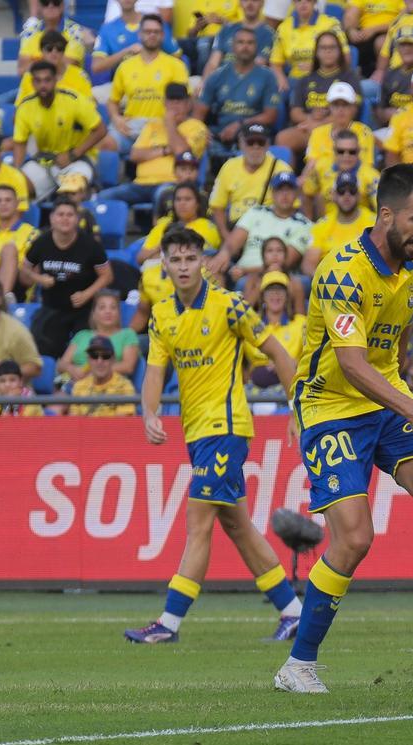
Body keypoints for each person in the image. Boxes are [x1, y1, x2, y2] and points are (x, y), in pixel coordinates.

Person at [274, 164, 413, 693]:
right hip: (331, 406)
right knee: (354, 537)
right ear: (385, 215)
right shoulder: (341, 271)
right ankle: (298, 664)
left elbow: (393, 340)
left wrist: (405, 396)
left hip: (384, 401)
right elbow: (352, 363)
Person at [125, 227, 304, 645]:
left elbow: (279, 354)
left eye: (191, 259)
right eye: (177, 259)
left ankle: (168, 623)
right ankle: (294, 612)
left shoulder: (230, 306)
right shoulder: (162, 314)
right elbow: (155, 370)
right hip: (197, 433)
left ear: (203, 262)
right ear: (164, 265)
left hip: (227, 428)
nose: (184, 266)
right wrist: (149, 411)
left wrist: (297, 405)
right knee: (237, 525)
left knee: (198, 521)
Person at [20, 200, 114, 359]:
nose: (65, 219)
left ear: (77, 219)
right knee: (42, 351)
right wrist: (38, 278)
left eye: (70, 215)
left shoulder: (90, 245)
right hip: (52, 306)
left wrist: (87, 294)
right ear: (52, 218)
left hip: (84, 309)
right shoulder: (41, 243)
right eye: (60, 214)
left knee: (84, 355)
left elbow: (107, 275)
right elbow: (24, 269)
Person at [210, 171, 313, 305]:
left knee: (244, 283)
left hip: (274, 275)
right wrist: (224, 253)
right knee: (212, 267)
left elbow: (283, 263)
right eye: (280, 190)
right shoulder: (256, 212)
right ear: (272, 193)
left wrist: (245, 271)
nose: (285, 195)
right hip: (240, 270)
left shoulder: (304, 225)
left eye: (289, 190)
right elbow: (232, 243)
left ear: (297, 193)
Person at [100, 83, 208, 207]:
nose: (175, 106)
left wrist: (170, 124)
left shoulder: (197, 127)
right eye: (171, 101)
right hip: (141, 184)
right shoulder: (152, 126)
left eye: (179, 101)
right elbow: (135, 155)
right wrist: (166, 150)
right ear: (165, 103)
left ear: (188, 104)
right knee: (104, 197)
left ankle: (159, 226)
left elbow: (181, 152)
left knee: (162, 196)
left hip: (173, 184)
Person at [13, 62, 109, 201]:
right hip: (44, 161)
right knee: (16, 188)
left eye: (47, 80)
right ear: (33, 83)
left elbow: (101, 130)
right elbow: (20, 143)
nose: (43, 85)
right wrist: (17, 172)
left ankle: (86, 198)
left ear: (55, 80)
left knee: (72, 190)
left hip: (77, 160)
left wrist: (73, 154)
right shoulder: (25, 106)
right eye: (38, 81)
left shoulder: (73, 99)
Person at [107, 15, 191, 158]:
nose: (152, 35)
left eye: (156, 32)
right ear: (140, 34)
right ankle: (110, 179)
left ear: (163, 35)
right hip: (132, 126)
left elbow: (186, 102)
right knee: (106, 143)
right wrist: (116, 118)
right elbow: (112, 101)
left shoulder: (176, 66)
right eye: (147, 31)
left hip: (162, 126)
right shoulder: (125, 67)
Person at [197, 26, 282, 166]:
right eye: (241, 42)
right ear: (232, 46)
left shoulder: (268, 77)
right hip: (220, 135)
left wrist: (240, 125)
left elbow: (270, 116)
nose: (245, 47)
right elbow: (198, 114)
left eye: (250, 43)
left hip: (253, 135)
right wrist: (201, 132)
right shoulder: (217, 76)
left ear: (257, 47)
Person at [277, 30, 363, 158]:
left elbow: (353, 110)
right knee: (282, 138)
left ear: (339, 51)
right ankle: (288, 177)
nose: (328, 51)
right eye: (323, 48)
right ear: (316, 52)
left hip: (341, 128)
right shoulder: (305, 79)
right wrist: (310, 119)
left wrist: (320, 124)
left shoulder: (350, 77)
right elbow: (295, 112)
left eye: (332, 47)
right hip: (310, 127)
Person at [209, 124, 294, 242]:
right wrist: (227, 238)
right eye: (250, 142)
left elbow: (291, 207)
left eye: (261, 142)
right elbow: (217, 207)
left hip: (270, 230)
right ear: (241, 144)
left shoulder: (282, 169)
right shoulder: (229, 167)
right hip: (236, 228)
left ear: (268, 145)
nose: (255, 147)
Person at [303, 172, 373, 295]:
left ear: (359, 196)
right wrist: (331, 282)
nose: (346, 196)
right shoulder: (321, 225)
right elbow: (308, 265)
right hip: (328, 284)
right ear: (333, 195)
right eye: (341, 191)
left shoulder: (373, 223)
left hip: (365, 283)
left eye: (352, 191)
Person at [59, 289, 140, 382]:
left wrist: (94, 373)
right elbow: (62, 364)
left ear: (119, 313)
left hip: (110, 386)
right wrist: (72, 369)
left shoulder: (127, 334)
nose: (108, 311)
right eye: (102, 307)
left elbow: (128, 366)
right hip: (74, 382)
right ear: (94, 313)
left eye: (113, 307)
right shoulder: (81, 335)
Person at [301, 129, 381, 220]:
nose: (346, 156)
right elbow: (307, 193)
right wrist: (308, 222)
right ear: (334, 151)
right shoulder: (320, 168)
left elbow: (382, 209)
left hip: (360, 229)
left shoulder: (371, 176)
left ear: (358, 151)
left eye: (352, 152)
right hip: (328, 228)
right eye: (341, 151)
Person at [244, 270, 306, 387]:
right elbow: (250, 353)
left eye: (280, 291)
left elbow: (310, 356)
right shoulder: (252, 323)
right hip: (258, 387)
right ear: (262, 296)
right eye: (270, 291)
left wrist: (293, 363)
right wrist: (279, 361)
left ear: (287, 296)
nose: (275, 295)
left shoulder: (301, 322)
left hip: (292, 381)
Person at [0, 277, 42, 393]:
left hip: (10, 396)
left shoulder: (16, 330)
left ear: (1, 299)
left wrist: (6, 369)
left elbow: (36, 368)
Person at [138, 182, 222, 265]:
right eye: (178, 199)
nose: (182, 203)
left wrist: (159, 255)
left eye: (187, 199)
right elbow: (141, 258)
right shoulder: (163, 225)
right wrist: (160, 247)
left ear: (197, 204)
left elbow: (196, 259)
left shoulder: (207, 226)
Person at [270, 0, 345, 93]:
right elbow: (275, 63)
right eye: (298, 0)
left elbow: (345, 56)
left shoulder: (330, 24)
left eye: (308, 0)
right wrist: (280, 79)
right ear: (293, 2)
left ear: (315, 2)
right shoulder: (284, 27)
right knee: (275, 96)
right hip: (295, 81)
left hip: (325, 78)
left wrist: (318, 67)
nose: (303, 3)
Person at [305, 82, 376, 177]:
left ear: (353, 107)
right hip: (323, 183)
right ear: (329, 107)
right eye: (336, 105)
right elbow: (310, 167)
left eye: (345, 105)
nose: (340, 110)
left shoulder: (364, 132)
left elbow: (365, 168)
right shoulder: (317, 133)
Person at [0, 184, 38, 296]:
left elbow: (24, 270)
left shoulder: (31, 233)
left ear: (17, 203)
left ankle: (2, 304)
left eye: (8, 200)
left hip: (14, 287)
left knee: (9, 249)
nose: (3, 204)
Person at [200, 0, 274, 81]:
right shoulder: (227, 29)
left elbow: (257, 65)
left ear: (262, 3)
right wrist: (204, 83)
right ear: (240, 3)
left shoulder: (268, 34)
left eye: (255, 0)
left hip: (248, 83)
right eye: (245, 0)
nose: (250, 4)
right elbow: (213, 64)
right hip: (221, 80)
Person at [16, 29, 93, 105]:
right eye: (49, 48)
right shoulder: (30, 76)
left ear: (64, 51)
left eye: (59, 48)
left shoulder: (79, 75)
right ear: (42, 51)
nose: (54, 52)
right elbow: (20, 107)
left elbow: (89, 105)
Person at [67, 334, 137, 416]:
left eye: (105, 356)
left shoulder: (124, 386)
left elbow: (123, 424)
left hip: (112, 429)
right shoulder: (79, 386)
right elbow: (74, 422)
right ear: (88, 359)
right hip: (86, 428)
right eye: (94, 356)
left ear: (113, 359)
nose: (99, 361)